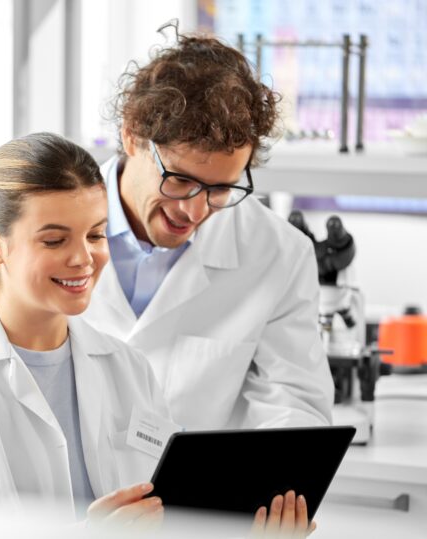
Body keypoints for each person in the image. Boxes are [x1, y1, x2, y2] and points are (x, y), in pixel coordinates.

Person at [0, 132, 314, 535]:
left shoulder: (126, 368)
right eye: (54, 241)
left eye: (95, 235)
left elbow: (164, 521)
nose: (83, 259)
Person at [81, 29, 334, 430]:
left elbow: (293, 402)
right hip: (62, 493)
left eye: (221, 188)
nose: (194, 210)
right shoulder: (45, 226)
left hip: (193, 494)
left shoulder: (278, 253)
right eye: (180, 180)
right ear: (132, 135)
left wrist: (278, 478)